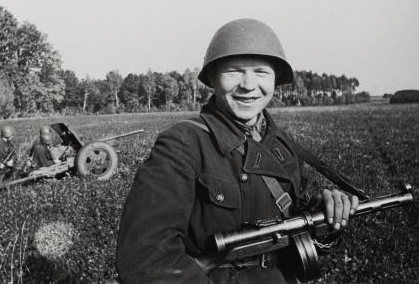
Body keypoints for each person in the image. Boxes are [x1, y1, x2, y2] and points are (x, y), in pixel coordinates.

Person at [116, 19, 360, 283]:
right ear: (212, 77)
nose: (248, 84)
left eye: (261, 72)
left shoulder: (282, 144)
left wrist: (328, 216)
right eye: (234, 71)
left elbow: (294, 224)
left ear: (275, 79)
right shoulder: (183, 144)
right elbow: (145, 257)